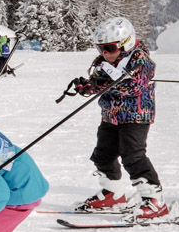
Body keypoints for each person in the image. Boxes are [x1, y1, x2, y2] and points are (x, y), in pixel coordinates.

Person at [69, 17, 169, 220]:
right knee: (103, 155)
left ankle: (155, 201)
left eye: (109, 47)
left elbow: (134, 86)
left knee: (133, 156)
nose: (105, 53)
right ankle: (113, 194)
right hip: (110, 115)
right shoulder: (104, 62)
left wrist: (106, 81)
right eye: (100, 49)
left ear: (126, 43)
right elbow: (99, 81)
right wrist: (89, 86)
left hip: (135, 116)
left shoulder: (141, 60)